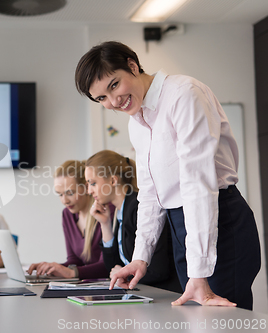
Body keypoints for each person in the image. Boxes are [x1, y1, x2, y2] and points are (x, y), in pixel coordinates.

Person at [75, 41, 261, 310]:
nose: (113, 102)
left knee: (222, 324)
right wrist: (139, 258)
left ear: (132, 65)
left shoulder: (183, 94)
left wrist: (199, 272)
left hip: (219, 220)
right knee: (198, 322)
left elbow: (198, 184)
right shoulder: (136, 122)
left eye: (114, 85)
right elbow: (151, 194)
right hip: (182, 226)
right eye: (101, 98)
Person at [86, 150, 181, 293]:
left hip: (165, 294)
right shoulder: (120, 210)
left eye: (92, 183)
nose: (89, 191)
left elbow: (158, 270)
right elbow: (113, 267)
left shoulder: (137, 207)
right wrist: (105, 224)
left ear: (113, 180)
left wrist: (126, 276)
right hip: (145, 292)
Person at [27, 160, 109, 279]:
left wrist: (72, 272)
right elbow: (74, 261)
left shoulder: (105, 212)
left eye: (70, 193)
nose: (64, 201)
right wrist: (50, 268)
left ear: (86, 187)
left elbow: (106, 266)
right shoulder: (68, 214)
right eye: (60, 194)